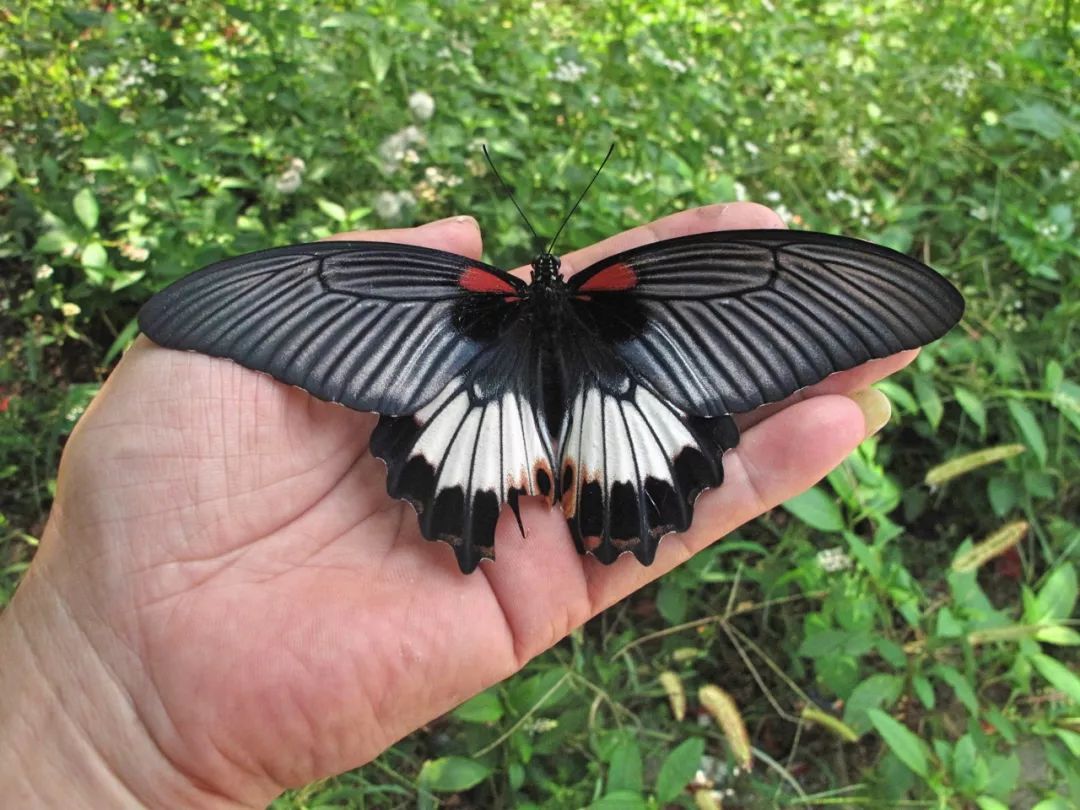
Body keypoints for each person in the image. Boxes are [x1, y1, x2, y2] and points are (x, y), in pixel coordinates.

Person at [0, 203, 907, 807]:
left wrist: (101, 727)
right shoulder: (603, 290)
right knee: (649, 435)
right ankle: (600, 496)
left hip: (477, 416)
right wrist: (103, 722)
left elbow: (343, 303)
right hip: (633, 413)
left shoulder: (463, 294)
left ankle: (539, 492)